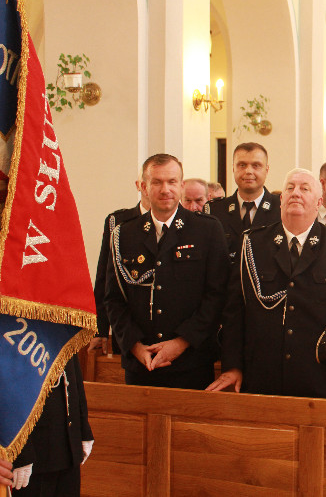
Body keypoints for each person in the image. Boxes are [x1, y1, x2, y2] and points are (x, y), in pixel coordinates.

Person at [208, 168, 326, 399]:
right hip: (262, 378)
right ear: (281, 200)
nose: (296, 193)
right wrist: (232, 366)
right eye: (290, 188)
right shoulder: (253, 243)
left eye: (304, 188)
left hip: (322, 378)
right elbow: (235, 311)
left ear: (318, 202)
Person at [105, 154, 230, 389]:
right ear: (144, 187)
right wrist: (135, 346)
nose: (165, 190)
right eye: (157, 182)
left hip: (191, 362)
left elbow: (217, 296)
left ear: (181, 186)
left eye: (172, 182)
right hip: (141, 363)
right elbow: (114, 299)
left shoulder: (207, 229)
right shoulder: (124, 234)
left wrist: (181, 343)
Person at [11, 357, 93, 497]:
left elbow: (74, 369)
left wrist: (83, 429)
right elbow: (6, 388)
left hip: (68, 445)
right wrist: (20, 450)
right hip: (34, 450)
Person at [88, 177, 151, 354]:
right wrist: (100, 329)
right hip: (127, 328)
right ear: (140, 185)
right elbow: (104, 278)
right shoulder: (118, 221)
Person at [204, 142, 281, 262]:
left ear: (267, 170)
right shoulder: (214, 210)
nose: (248, 171)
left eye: (256, 165)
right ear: (233, 168)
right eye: (242, 165)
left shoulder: (282, 208)